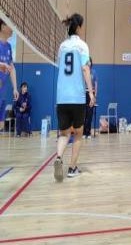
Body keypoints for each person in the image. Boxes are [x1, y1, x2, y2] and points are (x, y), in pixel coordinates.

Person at [54, 13, 95, 182]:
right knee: (78, 134)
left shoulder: (62, 46)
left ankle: (58, 157)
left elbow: (61, 67)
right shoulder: (82, 46)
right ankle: (72, 168)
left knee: (64, 134)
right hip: (77, 96)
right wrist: (90, 92)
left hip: (62, 97)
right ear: (78, 27)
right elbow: (85, 69)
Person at [0, 18, 18, 133]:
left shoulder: (8, 47)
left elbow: (12, 68)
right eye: (9, 24)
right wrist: (1, 64)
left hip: (3, 91)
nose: (13, 28)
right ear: (2, 27)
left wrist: (15, 88)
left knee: (1, 125)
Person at [83, 57, 98, 139]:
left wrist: (95, 96)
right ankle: (83, 133)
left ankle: (88, 133)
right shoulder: (83, 72)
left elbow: (96, 85)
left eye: (90, 61)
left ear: (91, 63)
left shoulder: (94, 72)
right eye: (87, 62)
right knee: (84, 114)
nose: (89, 63)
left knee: (90, 114)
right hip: (84, 93)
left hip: (91, 94)